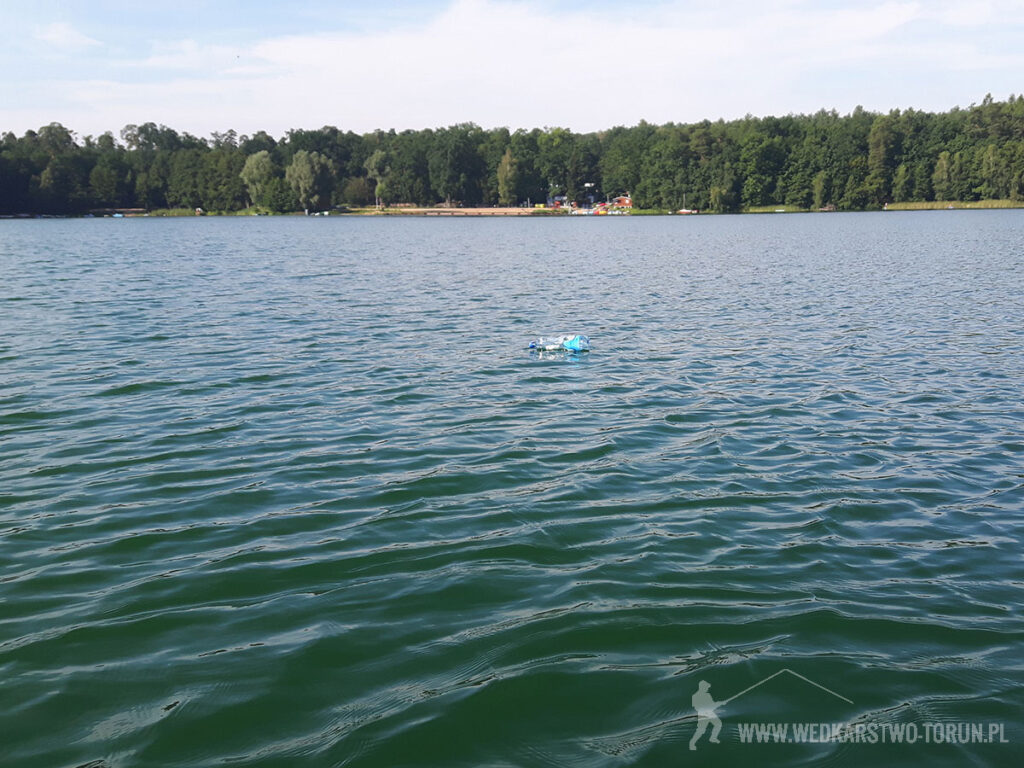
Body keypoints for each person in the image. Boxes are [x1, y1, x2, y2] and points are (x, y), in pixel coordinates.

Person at [689, 680, 722, 750]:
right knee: (701, 730)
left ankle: (713, 738)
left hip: (710, 712)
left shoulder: (708, 695)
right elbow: (696, 707)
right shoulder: (695, 696)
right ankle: (692, 743)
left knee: (718, 724)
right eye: (706, 687)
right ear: (702, 687)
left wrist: (719, 703)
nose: (708, 688)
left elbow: (712, 704)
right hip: (703, 714)